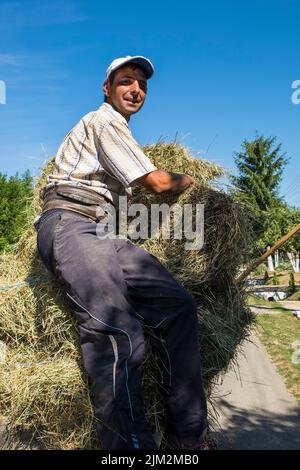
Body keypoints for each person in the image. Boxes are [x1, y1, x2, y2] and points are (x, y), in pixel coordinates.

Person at [35, 55, 210, 450]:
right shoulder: (104, 120)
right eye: (126, 81)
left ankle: (189, 436)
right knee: (116, 329)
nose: (136, 90)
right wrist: (191, 180)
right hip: (71, 222)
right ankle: (130, 448)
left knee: (179, 306)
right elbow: (159, 184)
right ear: (107, 88)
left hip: (104, 233)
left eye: (142, 85)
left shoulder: (122, 135)